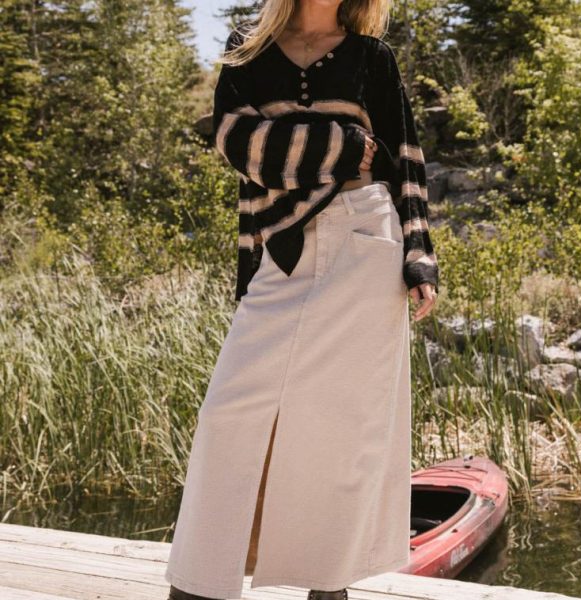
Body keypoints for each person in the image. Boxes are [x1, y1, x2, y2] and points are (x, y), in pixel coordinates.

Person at [165, 1, 439, 599]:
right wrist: (341, 144)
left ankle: (327, 584)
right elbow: (236, 143)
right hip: (282, 246)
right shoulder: (248, 50)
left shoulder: (371, 57)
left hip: (366, 238)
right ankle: (198, 585)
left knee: (339, 428)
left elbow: (405, 160)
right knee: (229, 414)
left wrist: (419, 254)